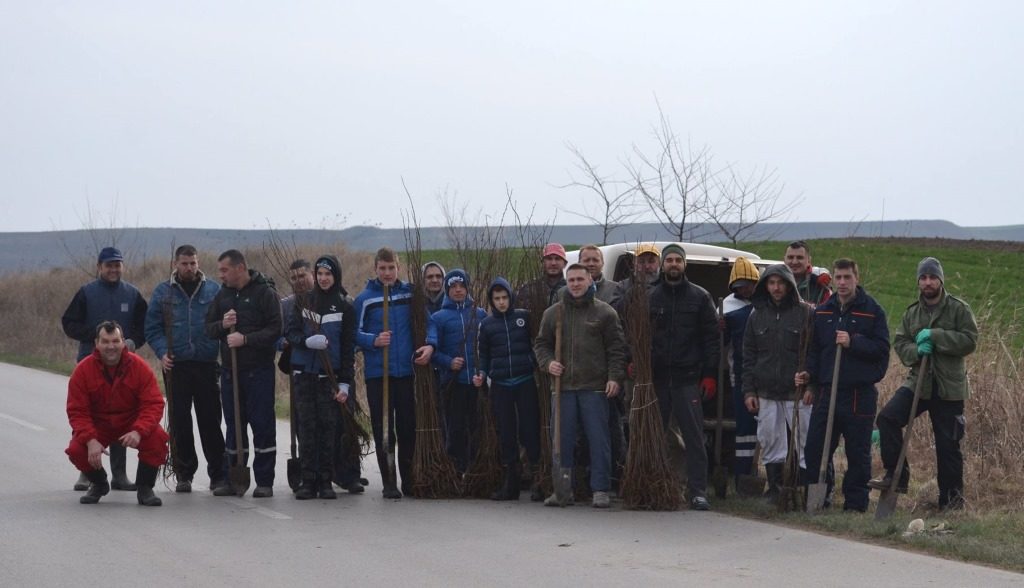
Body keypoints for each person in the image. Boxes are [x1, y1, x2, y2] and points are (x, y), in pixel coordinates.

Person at [869, 257, 978, 511]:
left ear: (941, 280)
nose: (928, 282)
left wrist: (936, 336)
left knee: (947, 447)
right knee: (887, 418)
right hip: (918, 382)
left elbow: (970, 340)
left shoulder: (958, 309)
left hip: (949, 388)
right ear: (918, 281)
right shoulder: (912, 313)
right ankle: (897, 476)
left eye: (932, 277)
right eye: (923, 278)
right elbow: (901, 343)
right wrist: (916, 350)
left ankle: (951, 504)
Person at [797, 259, 890, 512]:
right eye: (837, 277)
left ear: (856, 278)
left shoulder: (872, 311)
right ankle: (819, 496)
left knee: (857, 452)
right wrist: (810, 378)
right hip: (827, 391)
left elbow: (882, 352)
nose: (842, 282)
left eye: (847, 277)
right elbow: (814, 351)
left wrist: (854, 342)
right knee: (816, 447)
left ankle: (855, 503)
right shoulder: (824, 312)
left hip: (858, 394)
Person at [534, 264, 626, 508]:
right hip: (562, 389)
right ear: (566, 282)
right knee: (561, 440)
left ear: (589, 281)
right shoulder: (554, 313)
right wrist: (548, 363)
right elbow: (541, 344)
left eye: (579, 279)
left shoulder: (605, 313)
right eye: (571, 279)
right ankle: (563, 491)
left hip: (594, 388)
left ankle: (600, 489)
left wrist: (614, 377)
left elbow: (617, 350)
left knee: (599, 439)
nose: (575, 284)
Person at [61, 246, 148, 491]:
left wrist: (131, 342)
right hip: (89, 364)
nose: (113, 269)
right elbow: (69, 323)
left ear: (122, 267)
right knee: (87, 415)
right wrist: (95, 338)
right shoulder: (86, 293)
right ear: (99, 267)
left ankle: (119, 475)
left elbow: (145, 327)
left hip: (124, 366)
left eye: (117, 265)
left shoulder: (133, 294)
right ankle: (87, 473)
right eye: (108, 265)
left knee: (121, 415)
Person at [144, 244, 226, 494]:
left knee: (210, 421)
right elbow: (152, 328)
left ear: (198, 263)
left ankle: (219, 475)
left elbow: (224, 324)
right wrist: (161, 352)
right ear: (175, 265)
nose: (189, 268)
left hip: (207, 364)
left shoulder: (214, 290)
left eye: (193, 263)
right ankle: (184, 473)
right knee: (180, 422)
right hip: (176, 365)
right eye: (184, 263)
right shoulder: (163, 292)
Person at [354, 247, 434, 499]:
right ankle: (389, 482)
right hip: (379, 374)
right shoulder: (365, 298)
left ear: (398, 268)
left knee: (408, 426)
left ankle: (409, 479)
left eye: (391, 268)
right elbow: (353, 334)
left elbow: (429, 322)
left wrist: (430, 344)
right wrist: (373, 340)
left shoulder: (410, 294)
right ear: (375, 269)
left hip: (406, 371)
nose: (387, 273)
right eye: (382, 268)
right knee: (384, 427)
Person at [648, 244, 720, 510]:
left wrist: (710, 375)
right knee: (655, 435)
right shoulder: (651, 297)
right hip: (657, 379)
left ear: (685, 264)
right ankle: (657, 485)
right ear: (662, 264)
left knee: (693, 437)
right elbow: (639, 336)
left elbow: (711, 340)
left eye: (678, 260)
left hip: (687, 379)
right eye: (669, 260)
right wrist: (636, 362)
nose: (674, 264)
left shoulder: (700, 298)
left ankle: (698, 490)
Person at [205, 249, 282, 498]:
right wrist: (223, 326)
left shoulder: (264, 293)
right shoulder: (222, 295)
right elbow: (208, 328)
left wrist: (245, 339)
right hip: (230, 373)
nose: (221, 275)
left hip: (258, 372)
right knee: (234, 426)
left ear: (240, 268)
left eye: (225, 270)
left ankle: (264, 481)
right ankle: (233, 478)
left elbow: (275, 329)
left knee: (262, 425)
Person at [66, 321, 169, 506]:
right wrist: (90, 440)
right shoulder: (83, 371)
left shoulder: (139, 367)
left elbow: (153, 404)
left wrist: (139, 430)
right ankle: (98, 483)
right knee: (76, 449)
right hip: (99, 426)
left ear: (123, 342)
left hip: (131, 423)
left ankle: (145, 488)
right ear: (96, 343)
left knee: (157, 439)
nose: (111, 346)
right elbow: (77, 411)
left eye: (115, 341)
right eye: (105, 342)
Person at [286, 255, 357, 500]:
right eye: (320, 274)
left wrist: (345, 382)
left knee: (328, 429)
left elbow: (348, 348)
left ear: (335, 276)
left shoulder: (345, 305)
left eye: (328, 274)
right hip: (306, 375)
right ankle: (308, 480)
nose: (324, 279)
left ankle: (326, 480)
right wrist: (306, 342)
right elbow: (291, 334)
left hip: (331, 378)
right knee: (307, 429)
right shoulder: (304, 302)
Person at [742, 264, 814, 499]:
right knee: (771, 441)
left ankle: (803, 490)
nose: (776, 288)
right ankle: (775, 488)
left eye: (780, 283)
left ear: (789, 284)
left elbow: (816, 352)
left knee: (805, 441)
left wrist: (810, 383)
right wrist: (749, 391)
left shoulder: (805, 313)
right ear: (765, 286)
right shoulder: (756, 315)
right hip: (766, 391)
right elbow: (749, 356)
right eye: (771, 283)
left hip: (798, 392)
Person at [474, 277, 542, 501]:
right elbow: (483, 354)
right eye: (497, 299)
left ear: (511, 297)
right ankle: (510, 484)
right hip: (501, 385)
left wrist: (534, 362)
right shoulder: (487, 325)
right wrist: (482, 374)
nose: (501, 302)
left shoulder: (524, 317)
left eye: (504, 298)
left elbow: (538, 343)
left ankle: (538, 481)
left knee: (530, 431)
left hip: (525, 381)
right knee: (506, 433)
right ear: (492, 301)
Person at [428, 269, 487, 474]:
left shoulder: (479, 314)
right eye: (453, 287)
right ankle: (456, 469)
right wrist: (448, 362)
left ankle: (477, 470)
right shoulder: (438, 318)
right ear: (447, 290)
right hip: (454, 383)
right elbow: (432, 351)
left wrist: (484, 373)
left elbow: (488, 348)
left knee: (477, 427)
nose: (458, 290)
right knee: (455, 428)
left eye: (462, 286)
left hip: (476, 382)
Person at [723, 256, 760, 490]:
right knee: (745, 428)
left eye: (749, 284)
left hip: (769, 375)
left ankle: (773, 477)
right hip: (741, 374)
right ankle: (742, 475)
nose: (745, 289)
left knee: (770, 429)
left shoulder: (767, 305)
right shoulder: (728, 309)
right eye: (740, 286)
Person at [516, 243, 568, 313]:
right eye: (549, 259)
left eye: (557, 259)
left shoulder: (570, 288)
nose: (553, 263)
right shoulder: (529, 289)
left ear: (565, 264)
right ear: (542, 263)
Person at [783, 240, 832, 306]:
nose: (794, 262)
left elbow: (828, 311)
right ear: (784, 259)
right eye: (790, 257)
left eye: (799, 258)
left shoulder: (820, 284)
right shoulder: (773, 282)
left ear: (809, 260)